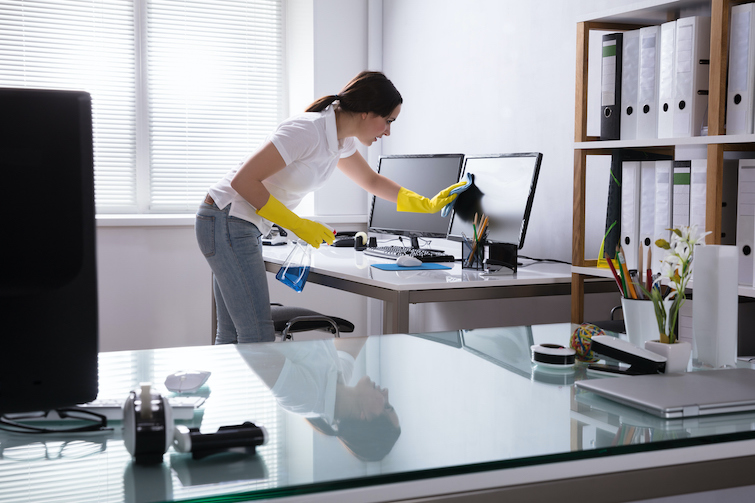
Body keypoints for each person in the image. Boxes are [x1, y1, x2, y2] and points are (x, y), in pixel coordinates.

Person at [196, 71, 466, 344]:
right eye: (387, 121)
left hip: (232, 223)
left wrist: (426, 204)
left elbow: (371, 180)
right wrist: (298, 224)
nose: (388, 131)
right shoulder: (306, 130)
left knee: (233, 333)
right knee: (256, 335)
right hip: (226, 218)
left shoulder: (339, 139)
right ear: (365, 112)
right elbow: (244, 181)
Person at [237, 337, 400, 461]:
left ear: (365, 417)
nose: (385, 392)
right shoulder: (341, 379)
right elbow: (360, 330)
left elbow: (249, 345)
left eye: (387, 406)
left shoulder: (305, 397)